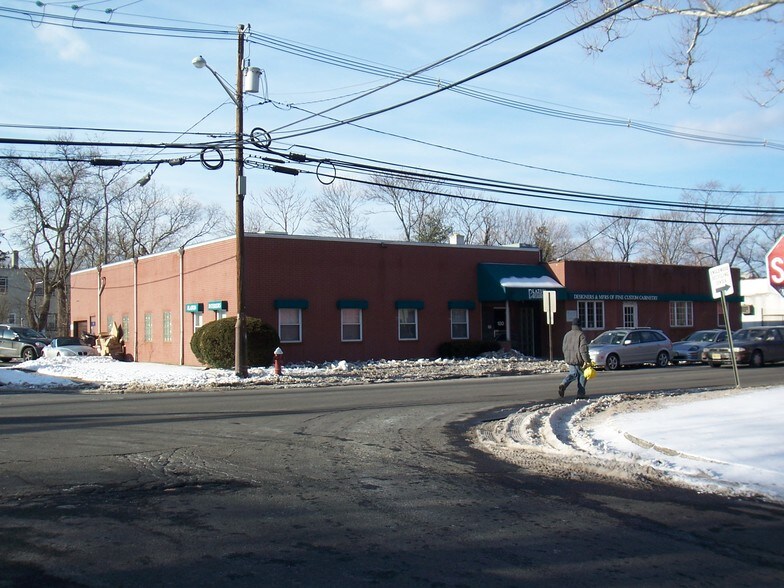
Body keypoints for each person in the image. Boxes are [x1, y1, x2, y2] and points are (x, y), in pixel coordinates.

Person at [559, 317, 591, 398]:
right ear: (580, 325)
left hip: (570, 359)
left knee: (573, 374)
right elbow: (583, 350)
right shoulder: (581, 335)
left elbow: (564, 348)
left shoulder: (567, 334)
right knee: (583, 376)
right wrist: (587, 360)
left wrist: (567, 356)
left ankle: (563, 384)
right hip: (579, 360)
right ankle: (581, 394)